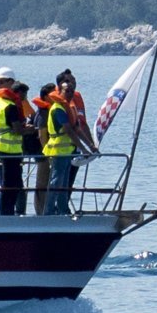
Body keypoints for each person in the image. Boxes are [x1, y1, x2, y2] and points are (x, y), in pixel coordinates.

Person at [43, 81, 97, 215]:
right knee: (56, 182)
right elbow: (68, 130)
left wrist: (90, 146)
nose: (70, 93)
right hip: (58, 151)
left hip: (68, 152)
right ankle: (48, 212)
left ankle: (63, 211)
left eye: (72, 91)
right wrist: (83, 149)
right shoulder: (57, 109)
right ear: (59, 92)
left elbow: (77, 129)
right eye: (67, 91)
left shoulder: (69, 108)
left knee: (64, 183)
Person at [0, 78, 33, 215]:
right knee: (10, 184)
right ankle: (6, 212)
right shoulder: (11, 106)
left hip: (0, 146)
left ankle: (6, 211)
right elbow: (17, 130)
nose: (24, 99)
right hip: (10, 150)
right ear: (17, 93)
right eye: (24, 96)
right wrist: (30, 130)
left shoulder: (0, 103)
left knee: (9, 182)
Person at [30, 83, 56, 214]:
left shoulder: (50, 111)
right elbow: (41, 134)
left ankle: (46, 208)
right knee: (42, 182)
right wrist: (48, 153)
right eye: (53, 94)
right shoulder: (43, 113)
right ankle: (41, 211)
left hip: (48, 153)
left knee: (47, 182)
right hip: (43, 154)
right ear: (46, 97)